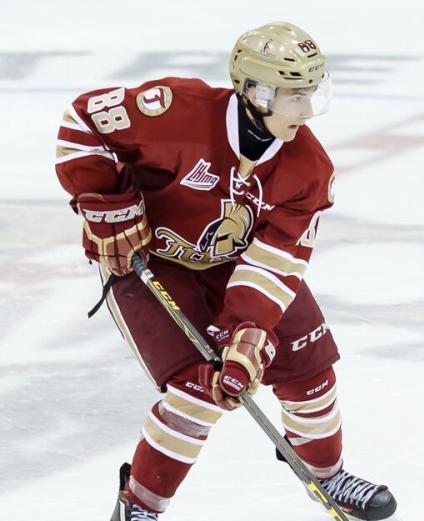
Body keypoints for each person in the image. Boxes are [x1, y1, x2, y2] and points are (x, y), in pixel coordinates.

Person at [55, 21, 397, 521]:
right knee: (198, 389)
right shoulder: (176, 111)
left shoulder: (308, 169)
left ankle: (326, 472)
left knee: (310, 373)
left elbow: (276, 260)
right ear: (255, 91)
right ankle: (140, 506)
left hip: (236, 261)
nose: (305, 111)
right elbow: (83, 122)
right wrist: (106, 202)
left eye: (311, 94)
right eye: (292, 96)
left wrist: (249, 330)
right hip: (148, 260)